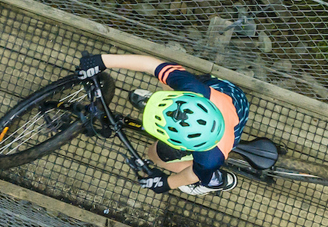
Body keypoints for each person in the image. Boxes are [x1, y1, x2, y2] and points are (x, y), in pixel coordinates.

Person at [76, 53, 249, 195]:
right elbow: (153, 66)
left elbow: (193, 173)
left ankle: (212, 180)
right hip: (226, 94)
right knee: (167, 79)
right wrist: (103, 61)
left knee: (154, 155)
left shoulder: (211, 157)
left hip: (229, 116)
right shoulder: (193, 88)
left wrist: (169, 183)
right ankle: (162, 106)